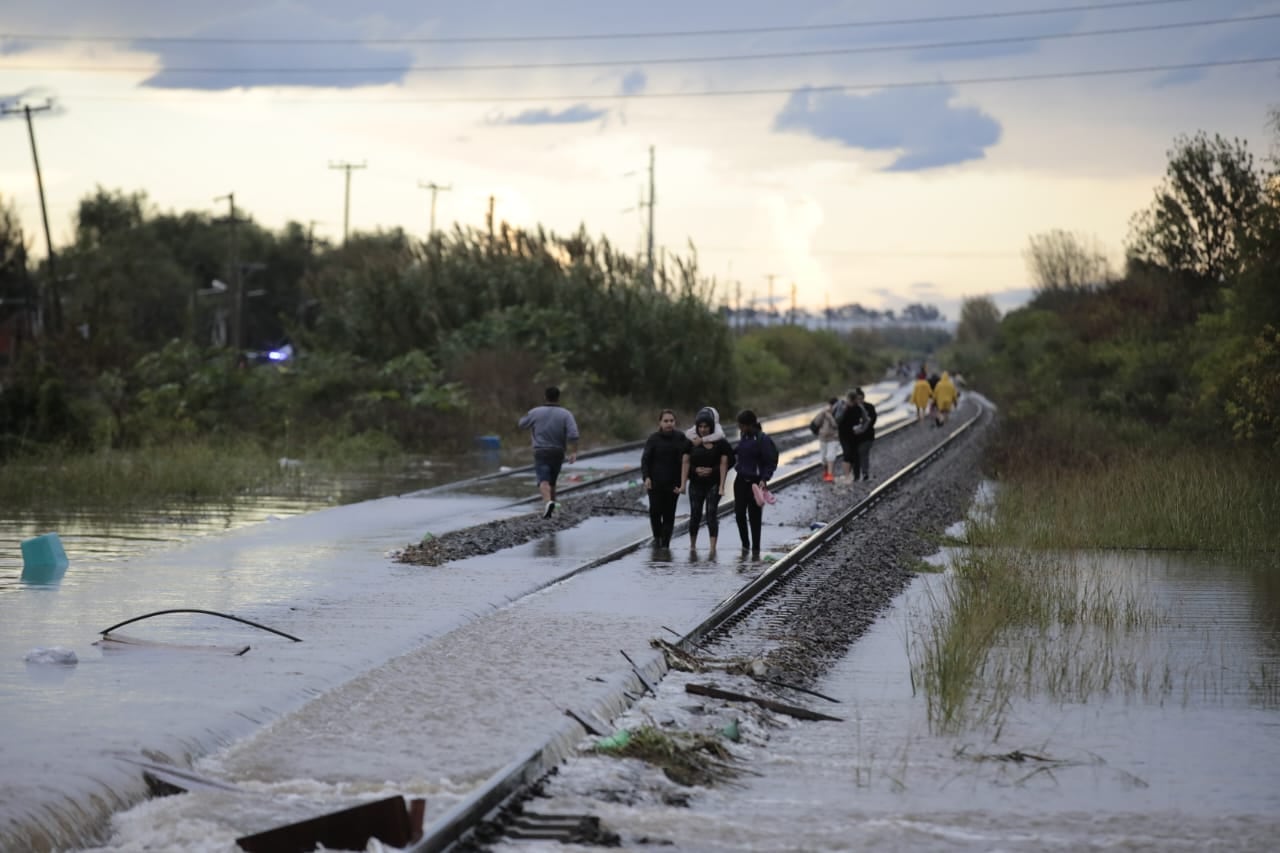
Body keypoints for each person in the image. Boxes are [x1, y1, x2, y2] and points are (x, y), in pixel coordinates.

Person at [517, 386, 580, 519]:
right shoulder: (566, 414)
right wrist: (574, 452)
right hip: (558, 452)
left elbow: (522, 424)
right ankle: (553, 506)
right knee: (552, 481)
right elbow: (573, 434)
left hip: (541, 451)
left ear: (545, 397)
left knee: (543, 480)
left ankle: (547, 503)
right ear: (558, 398)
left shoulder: (535, 412)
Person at [640, 409, 691, 548]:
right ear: (660, 423)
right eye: (666, 421)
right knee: (655, 512)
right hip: (655, 484)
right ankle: (657, 537)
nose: (669, 424)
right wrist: (646, 477)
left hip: (673, 484)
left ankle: (665, 545)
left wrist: (683, 481)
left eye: (671, 421)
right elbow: (645, 460)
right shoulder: (653, 439)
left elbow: (689, 457)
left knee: (669, 514)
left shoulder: (681, 438)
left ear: (675, 422)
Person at [732, 410, 778, 557]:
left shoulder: (762, 439)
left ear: (749, 425)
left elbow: (770, 461)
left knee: (754, 517)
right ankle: (745, 545)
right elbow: (738, 452)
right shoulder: (743, 436)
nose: (739, 427)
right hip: (740, 481)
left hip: (755, 483)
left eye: (741, 425)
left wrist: (765, 479)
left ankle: (756, 549)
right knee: (739, 514)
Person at [686, 412, 732, 552]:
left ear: (711, 427)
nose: (703, 429)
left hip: (713, 483)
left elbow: (730, 461)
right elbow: (683, 462)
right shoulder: (691, 442)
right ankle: (692, 546)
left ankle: (712, 548)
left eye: (706, 426)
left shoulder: (721, 443)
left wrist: (713, 470)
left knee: (711, 512)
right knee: (695, 513)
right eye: (700, 426)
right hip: (696, 483)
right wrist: (695, 471)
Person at [850, 387, 877, 481]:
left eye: (860, 398)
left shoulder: (870, 407)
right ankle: (856, 474)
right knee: (855, 455)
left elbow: (873, 420)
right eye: (857, 398)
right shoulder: (851, 409)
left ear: (863, 397)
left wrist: (863, 428)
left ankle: (865, 473)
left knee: (863, 453)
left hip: (867, 436)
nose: (859, 400)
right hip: (855, 437)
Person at [812, 398, 840, 482]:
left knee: (830, 456)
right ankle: (826, 472)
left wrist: (829, 416)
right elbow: (816, 423)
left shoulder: (838, 413)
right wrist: (822, 413)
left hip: (834, 438)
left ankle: (830, 474)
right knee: (823, 458)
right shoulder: (823, 413)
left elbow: (836, 425)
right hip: (823, 438)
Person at [836, 389, 860, 484]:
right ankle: (847, 476)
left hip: (855, 434)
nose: (851, 403)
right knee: (847, 453)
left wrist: (861, 428)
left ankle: (855, 476)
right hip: (843, 434)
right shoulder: (842, 407)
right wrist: (844, 409)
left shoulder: (858, 408)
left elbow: (866, 418)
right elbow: (837, 419)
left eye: (852, 401)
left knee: (855, 455)